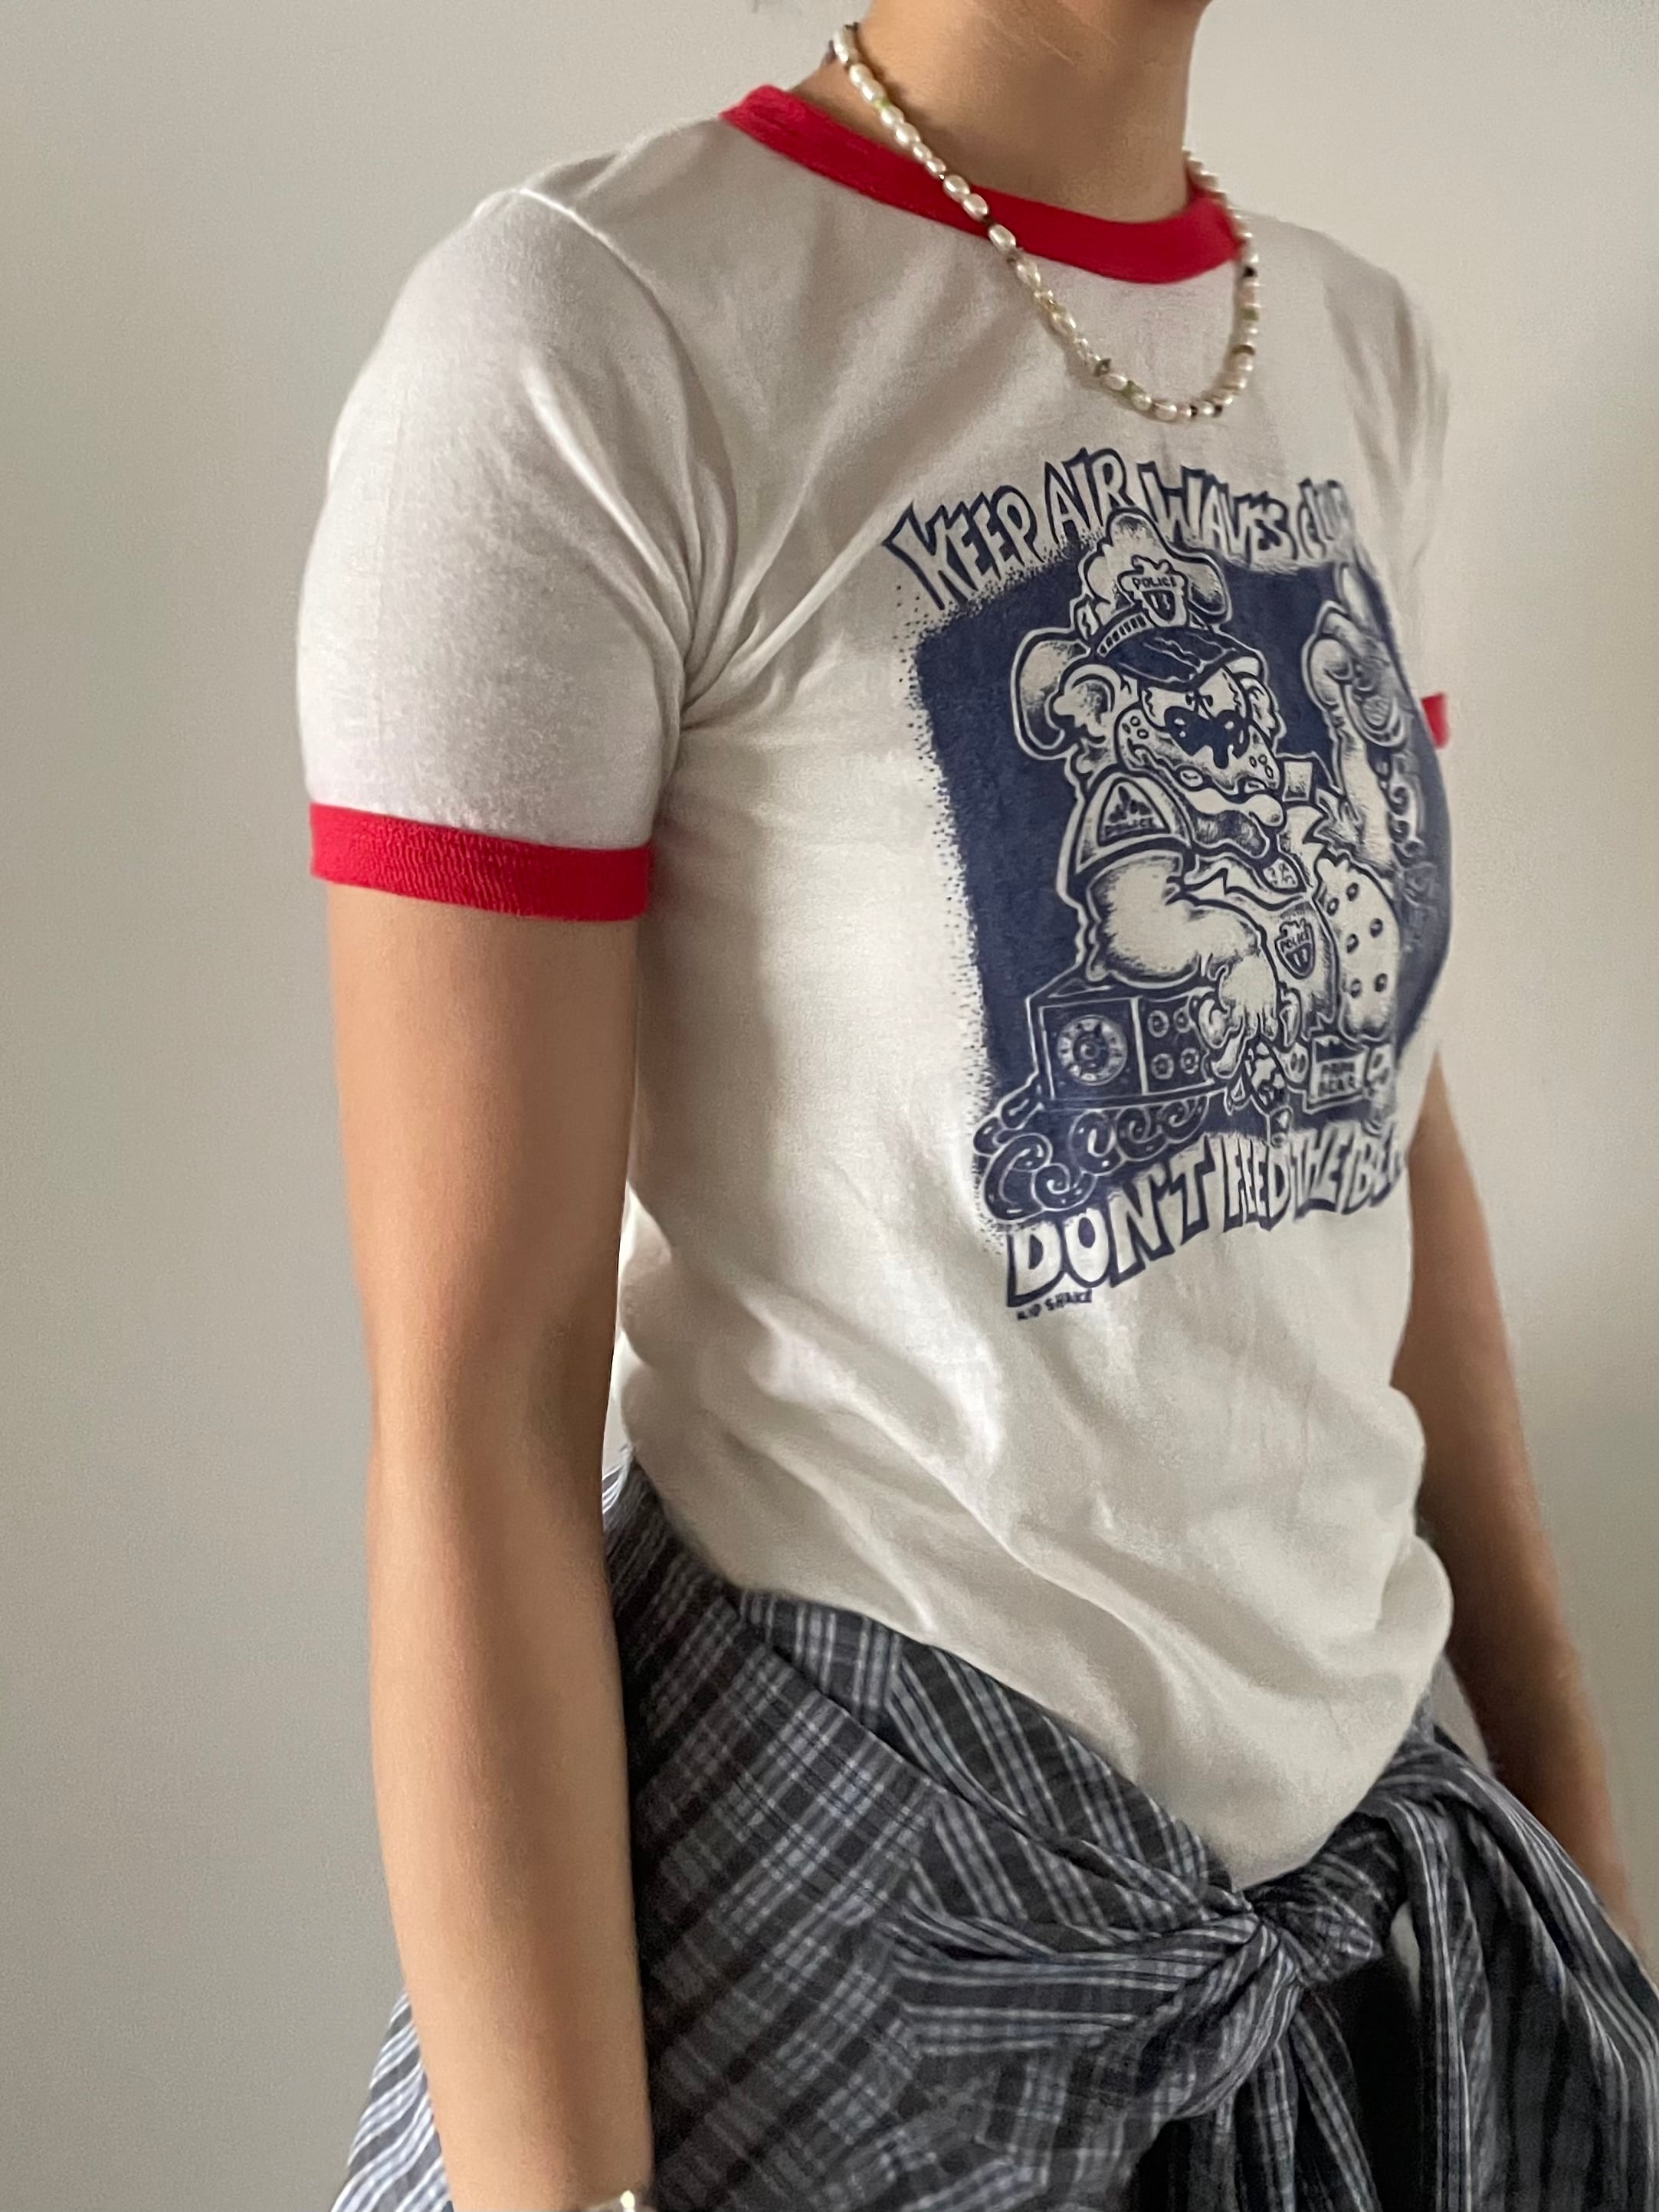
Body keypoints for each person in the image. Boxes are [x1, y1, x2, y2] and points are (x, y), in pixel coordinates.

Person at [296, 2, 1659, 2206]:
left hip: (1370, 1963)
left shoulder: (1360, 354)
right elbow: (475, 1408)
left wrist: (1572, 1854)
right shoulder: (586, 340)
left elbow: (1371, 1121)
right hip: (852, 1972)